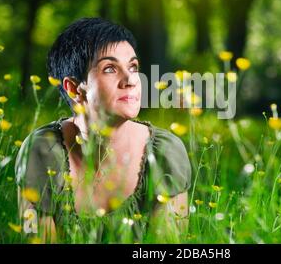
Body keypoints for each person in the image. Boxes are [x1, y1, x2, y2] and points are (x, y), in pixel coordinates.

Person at [15, 18, 192, 243]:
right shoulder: (42, 152)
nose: (130, 80)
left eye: (133, 66)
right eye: (110, 69)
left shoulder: (165, 153)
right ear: (74, 89)